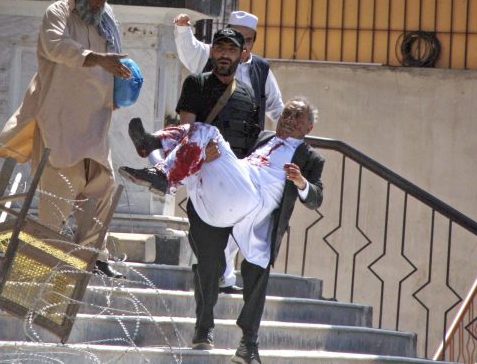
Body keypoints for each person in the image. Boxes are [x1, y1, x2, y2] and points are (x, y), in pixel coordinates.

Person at [120, 97, 324, 364]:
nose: (288, 119)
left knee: (256, 276)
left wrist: (301, 182)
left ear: (308, 127)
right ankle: (155, 150)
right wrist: (211, 154)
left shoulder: (310, 157)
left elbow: (316, 198)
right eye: (286, 113)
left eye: (296, 116)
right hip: (236, 188)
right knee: (205, 135)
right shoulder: (262, 137)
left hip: (255, 201)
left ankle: (248, 345)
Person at [0, 0, 130, 278]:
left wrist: (123, 85)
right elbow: (56, 47)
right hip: (59, 123)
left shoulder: (106, 21)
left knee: (101, 189)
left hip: (95, 125)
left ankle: (95, 256)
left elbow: (116, 61)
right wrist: (96, 59)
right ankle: (39, 267)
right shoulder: (57, 13)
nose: (99, 3)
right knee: (57, 196)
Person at [174, 10, 284, 294]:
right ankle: (214, 275)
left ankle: (225, 275)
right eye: (233, 41)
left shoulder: (261, 70)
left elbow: (275, 107)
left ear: (252, 42)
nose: (239, 48)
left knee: (238, 217)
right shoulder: (210, 66)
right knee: (207, 217)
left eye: (245, 42)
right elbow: (191, 52)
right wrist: (183, 31)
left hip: (242, 157)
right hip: (208, 157)